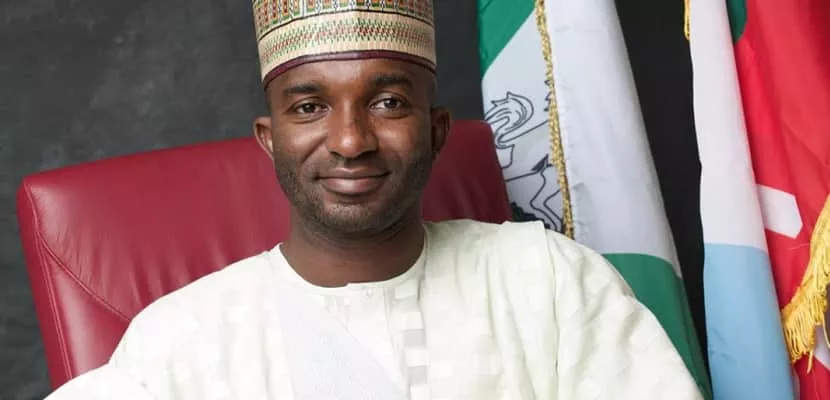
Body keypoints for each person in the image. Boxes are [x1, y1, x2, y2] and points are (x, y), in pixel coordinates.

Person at [46, 1, 702, 399]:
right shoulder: (181, 339)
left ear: (436, 131)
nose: (351, 140)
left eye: (387, 102)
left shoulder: (550, 282)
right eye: (310, 107)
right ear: (270, 140)